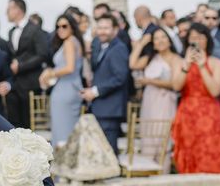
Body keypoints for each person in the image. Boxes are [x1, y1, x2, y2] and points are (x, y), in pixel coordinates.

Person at [171, 23, 220, 173]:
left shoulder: (217, 63)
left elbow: (215, 91)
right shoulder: (179, 62)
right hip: (187, 114)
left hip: (210, 115)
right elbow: (176, 86)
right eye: (193, 37)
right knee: (188, 154)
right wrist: (187, 66)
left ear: (208, 40)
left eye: (201, 37)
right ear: (188, 40)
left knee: (210, 153)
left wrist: (202, 66)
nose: (197, 41)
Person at [129, 27, 180, 171]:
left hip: (165, 101)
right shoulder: (150, 58)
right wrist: (141, 44)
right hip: (149, 102)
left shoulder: (175, 59)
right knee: (148, 137)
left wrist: (149, 81)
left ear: (169, 40)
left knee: (162, 137)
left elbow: (175, 83)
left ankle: (163, 173)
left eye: (163, 37)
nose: (160, 41)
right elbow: (132, 64)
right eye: (156, 38)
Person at [80, 13, 129, 154]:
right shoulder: (103, 47)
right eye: (100, 28)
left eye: (106, 28)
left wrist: (94, 92)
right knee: (101, 151)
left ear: (115, 29)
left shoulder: (118, 48)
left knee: (108, 154)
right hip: (102, 107)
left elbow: (120, 78)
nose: (102, 31)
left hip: (110, 109)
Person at [6, 0, 51, 128]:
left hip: (30, 84)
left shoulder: (35, 30)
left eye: (9, 9)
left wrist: (20, 66)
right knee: (13, 124)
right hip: (14, 85)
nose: (6, 12)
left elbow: (42, 54)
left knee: (28, 125)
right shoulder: (10, 31)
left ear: (17, 10)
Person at [40, 14, 84, 146]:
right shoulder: (75, 41)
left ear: (72, 27)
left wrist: (50, 73)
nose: (60, 29)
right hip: (70, 88)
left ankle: (62, 162)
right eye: (58, 26)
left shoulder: (69, 42)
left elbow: (69, 68)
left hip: (65, 90)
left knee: (62, 131)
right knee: (67, 130)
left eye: (64, 26)